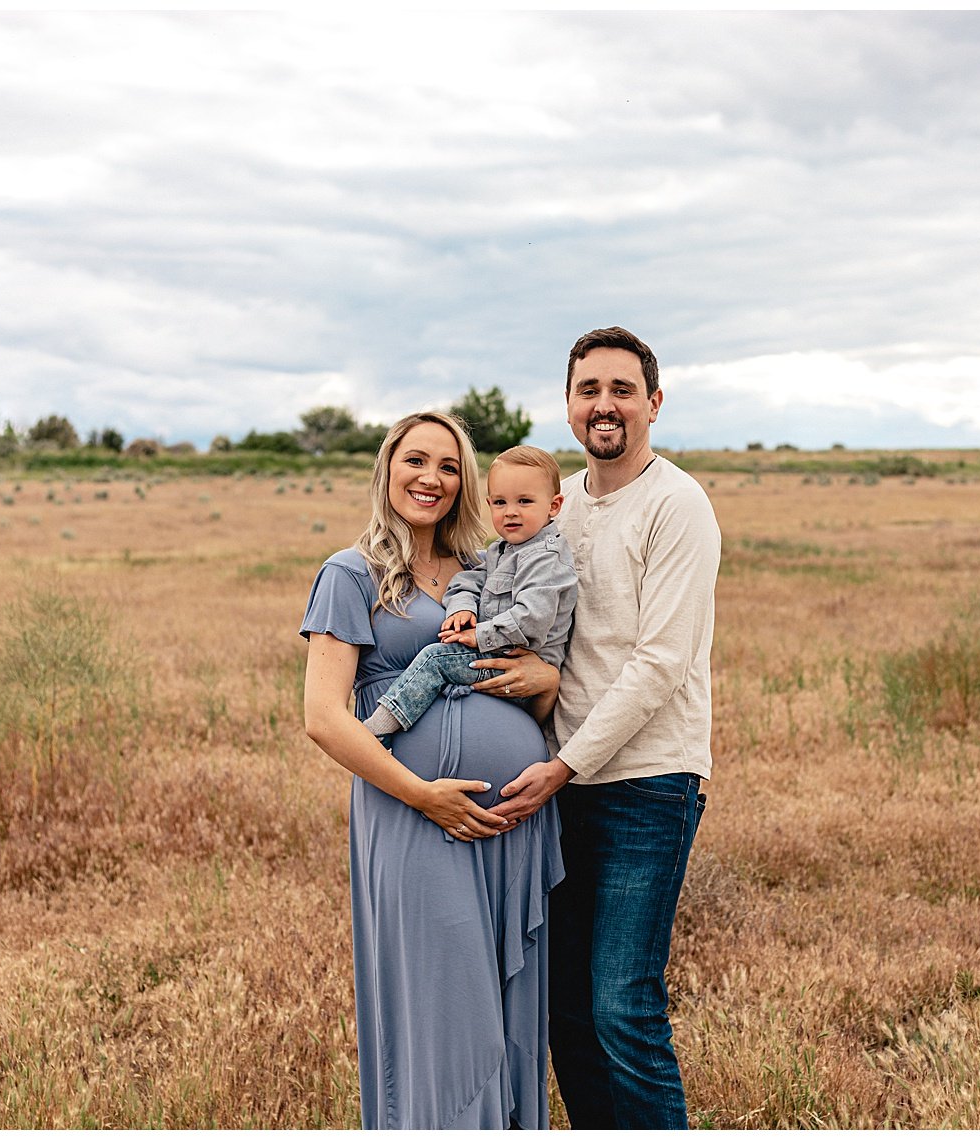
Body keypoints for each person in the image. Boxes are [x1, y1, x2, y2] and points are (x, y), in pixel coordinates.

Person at [474, 327, 722, 1128]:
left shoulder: (676, 504)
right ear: (570, 405)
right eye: (589, 390)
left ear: (653, 403)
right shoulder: (556, 505)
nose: (604, 404)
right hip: (560, 780)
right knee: (566, 1012)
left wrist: (563, 764)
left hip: (645, 782)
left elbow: (659, 663)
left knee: (622, 1006)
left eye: (622, 389)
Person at [300, 412, 566, 1129]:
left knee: (509, 1011)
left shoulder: (491, 568)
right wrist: (424, 796)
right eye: (416, 461)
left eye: (449, 466)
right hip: (415, 817)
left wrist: (539, 679)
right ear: (387, 468)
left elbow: (544, 681)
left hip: (513, 820)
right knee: (446, 1014)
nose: (432, 479)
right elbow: (325, 718)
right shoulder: (349, 574)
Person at [361, 444, 577, 740]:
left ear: (553, 506)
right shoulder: (502, 551)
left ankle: (375, 731)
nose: (511, 512)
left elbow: (532, 620)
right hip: (499, 661)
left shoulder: (545, 558)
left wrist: (478, 635)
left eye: (524, 501)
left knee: (436, 660)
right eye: (500, 503)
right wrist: (461, 609)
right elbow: (467, 581)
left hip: (519, 670)